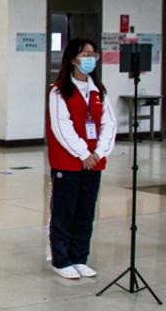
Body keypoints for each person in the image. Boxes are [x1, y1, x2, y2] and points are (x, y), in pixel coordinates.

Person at [46, 38, 116, 279]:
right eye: (85, 54)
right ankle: (61, 260)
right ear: (73, 59)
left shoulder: (98, 91)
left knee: (85, 212)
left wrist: (98, 153)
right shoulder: (59, 91)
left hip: (94, 162)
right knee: (64, 211)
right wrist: (84, 154)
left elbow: (109, 124)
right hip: (68, 162)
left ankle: (79, 257)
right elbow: (61, 127)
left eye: (93, 54)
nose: (90, 58)